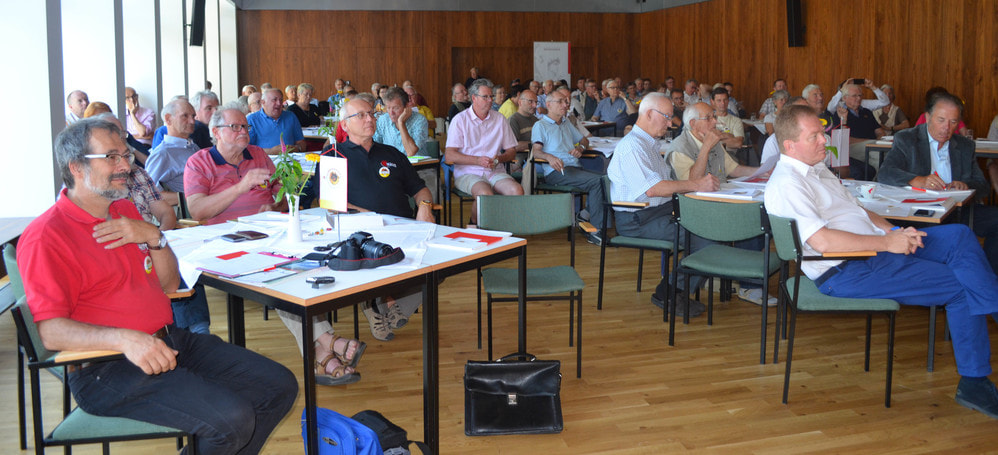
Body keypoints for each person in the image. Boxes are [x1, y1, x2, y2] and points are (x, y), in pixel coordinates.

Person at [18, 118, 298, 452]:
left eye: (125, 155)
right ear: (76, 167)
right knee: (233, 419)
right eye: (111, 157)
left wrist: (155, 237)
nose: (126, 166)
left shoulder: (123, 210)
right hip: (108, 367)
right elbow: (50, 332)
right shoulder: (47, 235)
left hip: (169, 340)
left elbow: (169, 284)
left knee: (279, 385)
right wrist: (125, 339)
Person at [766, 104, 998, 420]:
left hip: (875, 248)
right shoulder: (788, 183)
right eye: (815, 136)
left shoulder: (816, 168)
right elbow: (823, 242)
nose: (824, 140)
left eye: (822, 132)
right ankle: (974, 383)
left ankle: (991, 304)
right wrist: (887, 243)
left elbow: (859, 210)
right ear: (790, 145)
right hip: (848, 270)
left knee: (958, 235)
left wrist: (894, 231)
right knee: (961, 286)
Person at [607, 93, 719, 315]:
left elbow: (664, 187)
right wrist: (696, 184)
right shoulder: (632, 147)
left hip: (659, 211)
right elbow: (653, 189)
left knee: (713, 228)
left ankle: (674, 291)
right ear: (649, 113)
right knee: (706, 239)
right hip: (637, 220)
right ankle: (668, 292)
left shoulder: (648, 144)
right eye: (667, 117)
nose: (670, 124)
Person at [339, 98, 433, 341]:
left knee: (437, 266)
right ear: (345, 125)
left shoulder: (391, 154)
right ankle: (385, 303)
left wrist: (425, 207)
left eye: (372, 114)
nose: (370, 119)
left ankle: (381, 305)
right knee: (375, 257)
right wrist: (373, 218)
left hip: (403, 228)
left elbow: (420, 189)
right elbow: (330, 204)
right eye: (361, 115)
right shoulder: (334, 156)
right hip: (361, 235)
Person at [877, 92, 998, 273]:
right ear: (927, 117)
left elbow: (982, 185)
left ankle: (989, 276)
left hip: (957, 210)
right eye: (941, 120)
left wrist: (965, 185)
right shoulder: (908, 139)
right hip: (920, 212)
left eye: (953, 122)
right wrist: (917, 180)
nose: (946, 128)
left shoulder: (965, 146)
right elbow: (885, 173)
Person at [184, 103, 286, 225]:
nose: (243, 131)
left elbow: (285, 193)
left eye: (245, 126)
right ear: (216, 132)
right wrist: (240, 187)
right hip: (225, 233)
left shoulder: (258, 154)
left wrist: (276, 207)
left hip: (268, 227)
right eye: (235, 127)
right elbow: (197, 211)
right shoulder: (199, 162)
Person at [444, 78, 522, 224]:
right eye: (485, 97)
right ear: (474, 98)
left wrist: (499, 159)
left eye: (491, 96)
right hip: (468, 172)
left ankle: (505, 228)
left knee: (516, 191)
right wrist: (477, 160)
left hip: (495, 170)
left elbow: (511, 151)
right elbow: (449, 155)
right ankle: (475, 225)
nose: (490, 100)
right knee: (485, 194)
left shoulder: (500, 119)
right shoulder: (460, 120)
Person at [529, 89, 605, 238]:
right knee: (598, 181)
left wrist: (580, 148)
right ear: (549, 105)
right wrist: (549, 157)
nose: (565, 105)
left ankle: (584, 215)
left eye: (565, 101)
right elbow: (536, 151)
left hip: (574, 168)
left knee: (607, 179)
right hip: (558, 171)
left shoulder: (566, 122)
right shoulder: (540, 125)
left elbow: (584, 140)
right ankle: (595, 231)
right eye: (561, 102)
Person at [667, 102, 760, 181]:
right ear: (693, 123)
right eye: (708, 118)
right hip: (696, 196)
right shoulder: (680, 148)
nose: (715, 121)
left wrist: (762, 172)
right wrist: (706, 147)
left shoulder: (712, 139)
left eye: (714, 116)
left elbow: (733, 169)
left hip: (720, 192)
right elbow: (691, 182)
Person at [372, 87, 434, 201]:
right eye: (388, 107)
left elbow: (410, 151)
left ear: (406, 107)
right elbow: (375, 147)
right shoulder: (382, 120)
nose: (391, 113)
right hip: (391, 169)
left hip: (419, 170)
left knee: (428, 192)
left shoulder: (420, 120)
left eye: (396, 108)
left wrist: (401, 123)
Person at [247, 88, 306, 155]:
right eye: (274, 100)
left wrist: (297, 149)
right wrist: (271, 151)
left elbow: (301, 143)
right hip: (264, 160)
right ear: (263, 102)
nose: (279, 103)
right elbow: (246, 149)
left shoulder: (291, 116)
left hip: (290, 159)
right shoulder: (252, 120)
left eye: (281, 100)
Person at [151, 91, 215, 149]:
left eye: (193, 116)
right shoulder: (162, 153)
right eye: (185, 116)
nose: (192, 121)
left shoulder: (193, 147)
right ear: (168, 119)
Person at [509, 89, 539, 154]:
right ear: (520, 102)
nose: (535, 105)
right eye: (530, 101)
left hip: (537, 156)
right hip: (522, 158)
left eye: (536, 102)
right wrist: (537, 144)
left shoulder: (535, 120)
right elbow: (513, 146)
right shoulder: (513, 120)